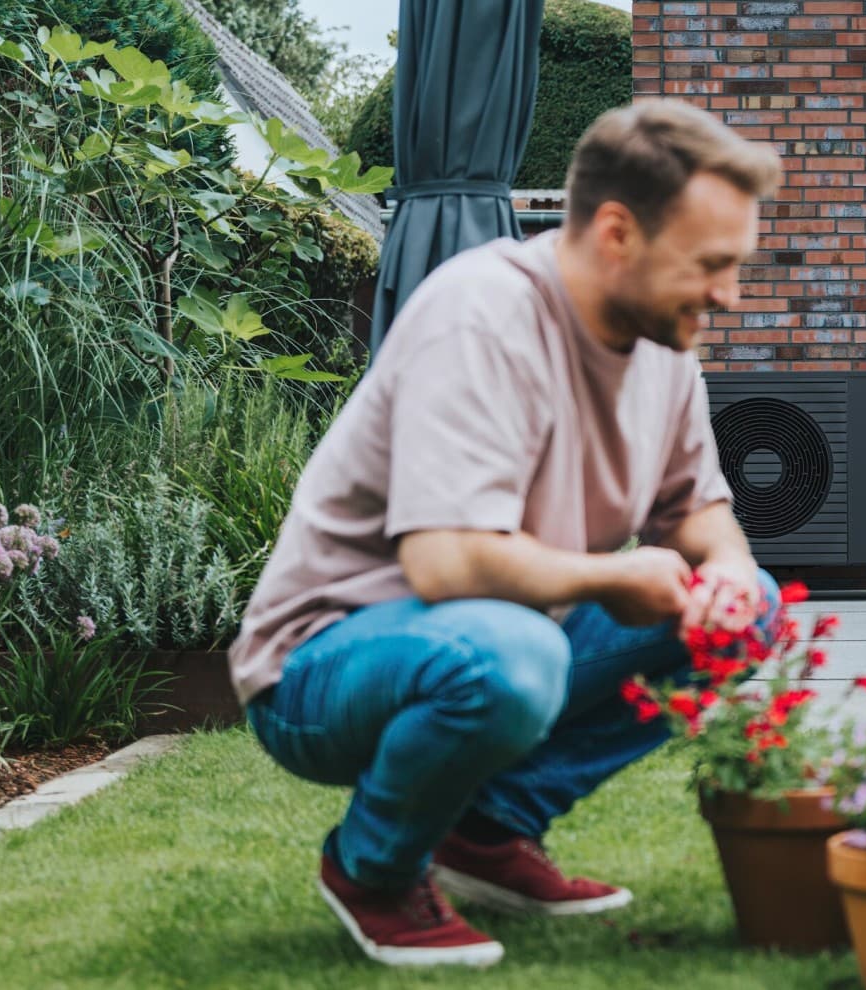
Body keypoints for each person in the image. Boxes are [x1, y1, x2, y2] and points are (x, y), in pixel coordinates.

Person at [227, 100, 784, 968]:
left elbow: (697, 509)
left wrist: (730, 568)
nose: (729, 294)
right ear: (615, 232)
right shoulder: (481, 315)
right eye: (711, 264)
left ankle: (488, 831)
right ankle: (371, 869)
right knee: (515, 654)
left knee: (748, 613)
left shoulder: (665, 346)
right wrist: (612, 580)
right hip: (320, 669)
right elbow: (445, 562)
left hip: (506, 632)